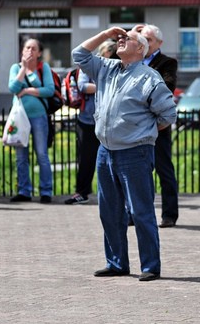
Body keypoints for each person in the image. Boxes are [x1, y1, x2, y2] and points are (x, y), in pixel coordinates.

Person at [73, 27, 177, 282]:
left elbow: (167, 115)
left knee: (141, 211)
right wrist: (106, 33)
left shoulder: (149, 77)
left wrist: (141, 132)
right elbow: (79, 54)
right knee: (109, 211)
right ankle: (116, 263)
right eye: (119, 38)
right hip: (105, 151)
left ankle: (150, 266)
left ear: (140, 49)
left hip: (135, 152)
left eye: (127, 39)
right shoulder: (107, 68)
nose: (120, 40)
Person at [133, 24, 179, 228]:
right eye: (142, 39)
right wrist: (131, 34)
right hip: (135, 124)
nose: (145, 43)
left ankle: (169, 215)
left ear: (159, 43)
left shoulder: (167, 62)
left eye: (149, 39)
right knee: (136, 171)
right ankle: (135, 214)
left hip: (158, 124)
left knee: (164, 169)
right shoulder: (133, 59)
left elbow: (167, 86)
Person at [65, 40, 118, 205]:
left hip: (111, 120)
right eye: (107, 56)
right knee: (86, 158)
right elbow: (82, 86)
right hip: (88, 119)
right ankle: (82, 192)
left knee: (112, 158)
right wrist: (106, 85)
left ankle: (113, 193)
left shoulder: (118, 66)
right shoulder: (91, 64)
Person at [7, 38, 54, 203]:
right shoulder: (15, 67)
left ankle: (46, 191)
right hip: (20, 118)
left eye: (34, 49)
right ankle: (24, 191)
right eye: (27, 48)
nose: (30, 51)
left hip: (39, 116)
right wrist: (23, 69)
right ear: (22, 51)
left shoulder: (43, 67)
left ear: (39, 53)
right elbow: (13, 88)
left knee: (42, 154)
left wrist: (26, 90)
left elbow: (49, 90)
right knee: (21, 157)